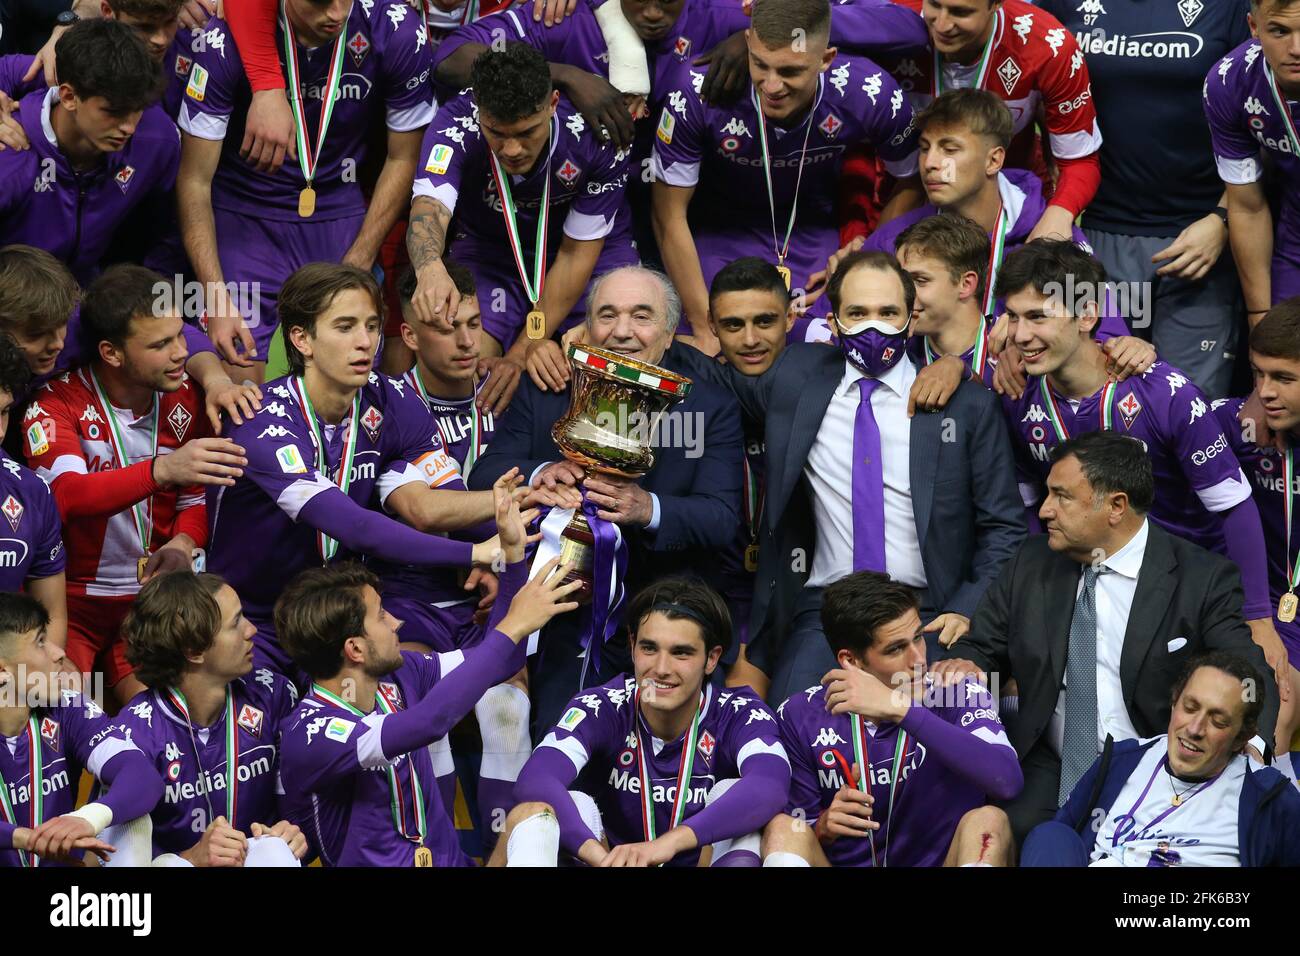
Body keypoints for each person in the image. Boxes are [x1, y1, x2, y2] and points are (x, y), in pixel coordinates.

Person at [934, 431, 1279, 844]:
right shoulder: (1031, 561)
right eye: (1047, 494)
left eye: (1062, 496)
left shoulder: (1200, 579)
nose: (1044, 510)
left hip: (1156, 768)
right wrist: (968, 664)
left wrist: (1252, 746)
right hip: (1050, 765)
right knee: (1002, 832)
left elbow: (1248, 674)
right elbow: (984, 646)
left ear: (1116, 505)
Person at [721, 250, 1025, 705]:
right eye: (858, 313)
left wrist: (967, 606)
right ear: (835, 321)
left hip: (929, 614)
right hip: (823, 612)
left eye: (888, 312)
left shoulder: (965, 405)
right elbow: (709, 378)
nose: (873, 326)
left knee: (935, 743)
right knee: (791, 730)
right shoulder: (796, 377)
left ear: (910, 316)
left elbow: (1004, 527)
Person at [995, 240, 1286, 692]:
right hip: (1086, 588)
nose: (1020, 334)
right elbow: (1033, 514)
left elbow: (1233, 506)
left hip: (1185, 591)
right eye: (1012, 316)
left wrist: (1259, 622)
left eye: (1038, 317)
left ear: (1087, 316)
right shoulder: (1017, 400)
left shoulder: (1165, 393)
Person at [205, 263, 520, 680]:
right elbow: (355, 527)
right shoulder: (260, 419)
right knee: (262, 738)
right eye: (345, 327)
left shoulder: (391, 402)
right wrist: (475, 553)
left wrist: (504, 535)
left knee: (407, 699)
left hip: (336, 621)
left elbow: (435, 502)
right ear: (302, 339)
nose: (365, 342)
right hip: (254, 620)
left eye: (372, 326)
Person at [468, 265, 742, 736]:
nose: (621, 332)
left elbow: (721, 518)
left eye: (641, 316)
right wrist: (538, 474)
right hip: (559, 609)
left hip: (666, 608)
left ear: (670, 331)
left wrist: (647, 508)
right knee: (556, 739)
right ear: (587, 326)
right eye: (607, 315)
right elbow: (486, 474)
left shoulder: (709, 406)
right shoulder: (549, 386)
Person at [275, 487, 583, 867]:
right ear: (354, 649)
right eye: (381, 617)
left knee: (544, 816)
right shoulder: (313, 733)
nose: (397, 621)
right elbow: (429, 722)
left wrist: (514, 560)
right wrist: (513, 626)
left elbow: (501, 663)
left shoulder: (403, 673)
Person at [176, 0, 434, 380]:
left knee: (351, 377)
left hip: (337, 209)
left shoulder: (395, 28)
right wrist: (215, 297)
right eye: (318, 2)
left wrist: (362, 255)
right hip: (245, 215)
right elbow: (193, 181)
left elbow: (403, 158)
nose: (335, 12)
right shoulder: (223, 41)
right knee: (240, 387)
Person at [24, 265, 245, 707]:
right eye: (161, 344)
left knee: (160, 729)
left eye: (181, 335)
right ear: (112, 353)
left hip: (147, 606)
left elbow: (194, 496)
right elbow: (66, 496)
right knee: (59, 726)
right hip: (73, 605)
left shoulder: (186, 398)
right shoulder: (56, 404)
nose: (181, 353)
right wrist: (161, 470)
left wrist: (184, 543)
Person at [650, 0, 923, 352]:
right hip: (721, 230)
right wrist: (705, 327)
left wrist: (869, 255)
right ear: (747, 42)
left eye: (790, 72)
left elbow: (912, 179)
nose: (772, 86)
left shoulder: (869, 90)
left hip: (812, 231)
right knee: (721, 342)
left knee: (828, 344)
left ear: (826, 60)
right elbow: (667, 214)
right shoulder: (696, 90)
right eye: (760, 65)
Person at [406, 42, 637, 413]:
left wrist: (521, 351)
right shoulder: (455, 123)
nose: (512, 149)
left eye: (527, 132)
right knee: (460, 359)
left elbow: (577, 254)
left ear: (553, 104)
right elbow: (429, 209)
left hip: (586, 252)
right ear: (479, 112)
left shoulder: (597, 135)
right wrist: (430, 266)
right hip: (491, 249)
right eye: (497, 133)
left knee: (616, 358)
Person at [1040, 0, 1252, 399]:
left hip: (1198, 246)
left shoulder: (1228, 6)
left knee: (1188, 407)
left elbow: (1258, 122)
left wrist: (1223, 219)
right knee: (1097, 405)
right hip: (1099, 241)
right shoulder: (1061, 3)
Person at [506, 576, 789, 866]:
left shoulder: (739, 712)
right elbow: (535, 780)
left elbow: (771, 785)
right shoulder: (604, 705)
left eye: (681, 653)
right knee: (546, 813)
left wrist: (666, 844)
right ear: (632, 646)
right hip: (615, 863)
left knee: (747, 810)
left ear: (712, 659)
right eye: (649, 648)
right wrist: (598, 856)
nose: (661, 669)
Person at [762, 571, 1020, 867]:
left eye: (919, 638)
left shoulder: (956, 690)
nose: (919, 660)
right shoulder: (800, 714)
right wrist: (823, 827)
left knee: (989, 822)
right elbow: (800, 828)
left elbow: (1007, 780)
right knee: (783, 828)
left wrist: (902, 709)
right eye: (896, 649)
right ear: (851, 660)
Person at [1023, 653, 1300, 867]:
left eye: (1217, 721)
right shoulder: (1121, 761)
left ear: (1242, 738)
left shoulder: (1267, 796)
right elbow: (1058, 840)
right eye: (1189, 708)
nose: (1194, 729)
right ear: (1173, 704)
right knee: (1050, 835)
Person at [116, 570, 306, 867]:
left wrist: (294, 831)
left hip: (256, 858)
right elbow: (110, 858)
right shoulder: (134, 734)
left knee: (275, 854)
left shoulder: (274, 695)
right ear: (194, 650)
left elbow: (301, 804)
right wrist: (190, 857)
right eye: (236, 623)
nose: (252, 630)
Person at [882, 0, 1102, 242]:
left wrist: (1059, 214)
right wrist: (858, 231)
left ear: (996, 3)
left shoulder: (1049, 46)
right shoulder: (885, 23)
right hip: (910, 188)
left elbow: (1079, 160)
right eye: (934, 4)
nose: (942, 24)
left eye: (960, 12)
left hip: (1012, 203)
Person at [0, 19, 177, 286]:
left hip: (90, 297)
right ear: (69, 97)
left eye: (138, 108)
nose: (129, 127)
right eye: (113, 112)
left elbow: (166, 232)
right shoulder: (9, 155)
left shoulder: (156, 140)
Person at [0, 592, 163, 867]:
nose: (59, 653)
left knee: (135, 822)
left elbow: (142, 776)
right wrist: (24, 838)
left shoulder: (67, 707)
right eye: (41, 642)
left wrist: (89, 818)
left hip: (65, 903)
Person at [704, 257, 790, 696]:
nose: (751, 339)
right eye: (733, 325)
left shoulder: (824, 384)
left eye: (766, 321)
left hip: (793, 597)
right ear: (711, 326)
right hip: (713, 589)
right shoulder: (693, 389)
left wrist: (954, 364)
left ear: (791, 317)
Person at [1217, 298, 1300, 741]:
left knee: (1275, 705)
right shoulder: (1238, 424)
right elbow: (1165, 415)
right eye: (1257, 375)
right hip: (1262, 600)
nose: (1266, 391)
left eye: (1283, 378)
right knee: (1266, 705)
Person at [1203, 0, 1300, 320]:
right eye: (1279, 31)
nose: (1296, 48)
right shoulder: (1230, 83)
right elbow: (1247, 206)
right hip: (1295, 238)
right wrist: (1259, 316)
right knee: (1279, 356)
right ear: (1254, 27)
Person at [0, 333, 66, 651]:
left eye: (3, 413)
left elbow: (52, 615)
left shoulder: (31, 491)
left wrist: (34, 686)